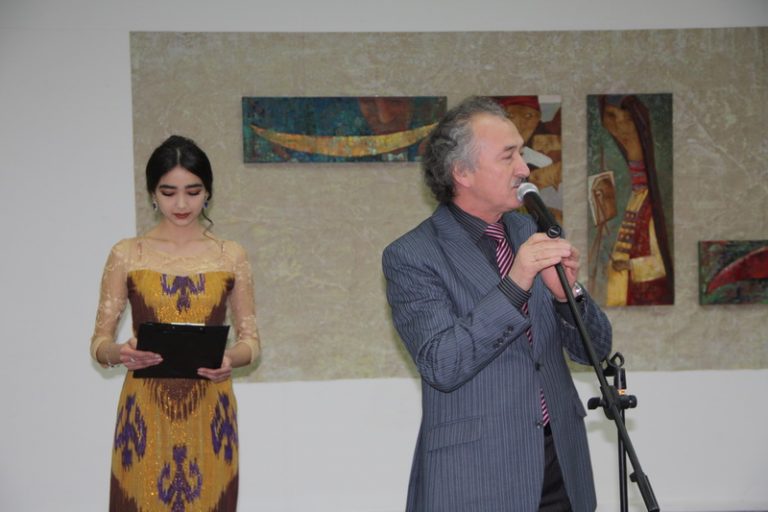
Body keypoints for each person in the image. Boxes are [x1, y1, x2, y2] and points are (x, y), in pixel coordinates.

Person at [382, 97, 612, 512]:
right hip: (477, 474)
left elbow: (594, 350)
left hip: (561, 464)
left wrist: (568, 296)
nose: (524, 169)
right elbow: (441, 364)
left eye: (522, 153)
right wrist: (516, 282)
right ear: (462, 172)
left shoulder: (533, 230)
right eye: (508, 156)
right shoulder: (412, 255)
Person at [90, 135, 260, 511]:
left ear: (208, 192)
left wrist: (230, 359)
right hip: (144, 412)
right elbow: (99, 343)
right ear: (153, 194)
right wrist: (120, 352)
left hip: (210, 409)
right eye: (169, 192)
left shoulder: (230, 255)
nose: (181, 204)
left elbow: (252, 342)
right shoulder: (127, 253)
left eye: (193, 192)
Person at [598, 95, 674, 306]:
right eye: (613, 117)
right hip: (623, 291)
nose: (621, 128)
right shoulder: (636, 196)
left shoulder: (651, 203)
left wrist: (629, 265)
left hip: (646, 295)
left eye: (629, 120)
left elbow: (661, 264)